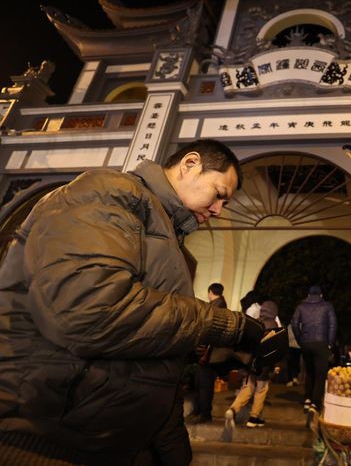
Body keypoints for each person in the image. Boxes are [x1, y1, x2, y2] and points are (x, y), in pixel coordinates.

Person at [0, 139, 275, 464]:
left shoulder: (169, 240)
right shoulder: (109, 193)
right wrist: (229, 326)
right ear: (190, 164)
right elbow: (90, 313)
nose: (218, 211)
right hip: (49, 440)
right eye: (218, 195)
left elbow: (147, 357)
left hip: (112, 442)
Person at [226, 300, 282, 430]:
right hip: (263, 365)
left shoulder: (256, 323)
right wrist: (276, 365)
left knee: (247, 388)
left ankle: (233, 410)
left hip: (250, 363)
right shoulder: (274, 326)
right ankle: (253, 417)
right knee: (261, 390)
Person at [187, 282, 228, 424]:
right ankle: (199, 411)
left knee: (204, 384)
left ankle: (204, 413)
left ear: (210, 292)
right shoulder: (221, 306)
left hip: (209, 353)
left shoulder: (214, 308)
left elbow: (207, 332)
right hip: (209, 352)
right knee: (200, 383)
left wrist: (202, 351)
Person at [291, 285, 337, 411]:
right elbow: (333, 326)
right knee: (320, 374)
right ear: (321, 295)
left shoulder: (301, 306)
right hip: (322, 343)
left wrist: (300, 340)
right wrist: (330, 344)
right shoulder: (327, 306)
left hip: (306, 343)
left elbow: (294, 324)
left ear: (308, 295)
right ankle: (315, 403)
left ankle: (307, 398)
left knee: (309, 372)